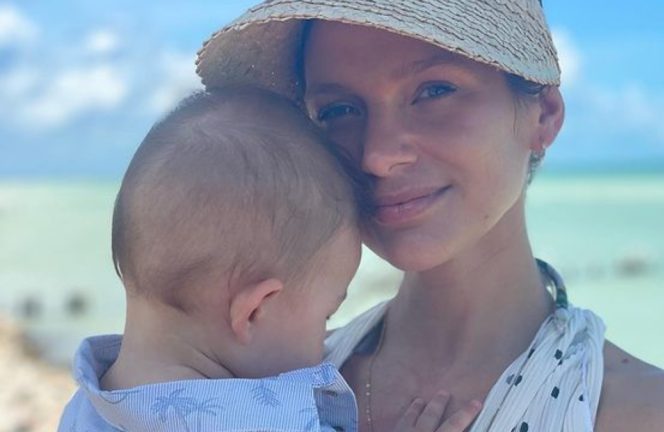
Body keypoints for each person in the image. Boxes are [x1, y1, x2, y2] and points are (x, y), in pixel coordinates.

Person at [195, 1, 664, 431]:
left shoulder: (650, 416)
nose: (377, 154)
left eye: (434, 91)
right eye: (338, 111)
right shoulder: (269, 387)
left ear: (544, 115)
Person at [57, 88, 482, 432]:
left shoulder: (85, 407)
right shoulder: (270, 420)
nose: (326, 340)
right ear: (255, 311)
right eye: (325, 315)